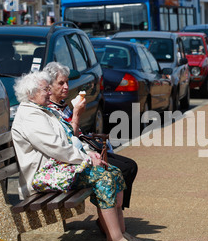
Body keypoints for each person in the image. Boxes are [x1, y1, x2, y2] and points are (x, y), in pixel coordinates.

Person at [11, 70, 141, 241]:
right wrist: (88, 160)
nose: (50, 92)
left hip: (58, 167)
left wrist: (90, 154)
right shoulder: (30, 116)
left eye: (49, 88)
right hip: (42, 174)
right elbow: (57, 148)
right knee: (102, 177)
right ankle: (115, 240)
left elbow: (70, 139)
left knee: (113, 171)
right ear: (31, 94)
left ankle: (119, 231)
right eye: (45, 89)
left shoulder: (43, 110)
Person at [43, 62, 138, 211]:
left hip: (85, 149)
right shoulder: (50, 110)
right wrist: (77, 114)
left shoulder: (62, 104)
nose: (66, 87)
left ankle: (118, 211)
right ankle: (112, 215)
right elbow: (69, 140)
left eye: (67, 82)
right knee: (121, 170)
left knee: (131, 166)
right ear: (49, 85)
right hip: (74, 157)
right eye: (61, 83)